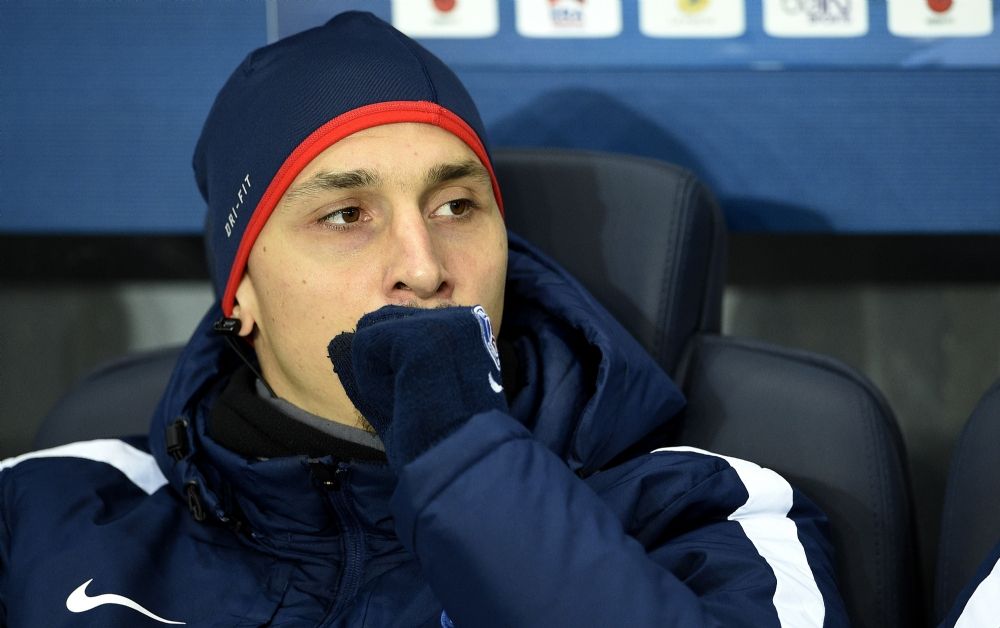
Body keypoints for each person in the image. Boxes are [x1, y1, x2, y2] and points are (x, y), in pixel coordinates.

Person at [0, 11, 848, 627]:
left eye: (455, 206)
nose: (424, 266)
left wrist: (461, 455)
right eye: (346, 216)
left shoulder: (698, 510)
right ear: (241, 293)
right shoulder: (47, 510)